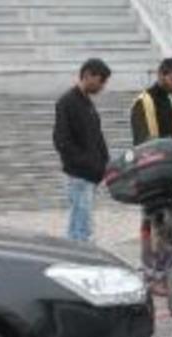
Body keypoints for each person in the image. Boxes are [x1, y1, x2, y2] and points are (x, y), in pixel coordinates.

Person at [130, 58, 172, 296]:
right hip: (150, 174)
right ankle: (152, 275)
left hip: (168, 174)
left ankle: (165, 272)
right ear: (162, 75)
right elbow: (146, 144)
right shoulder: (144, 102)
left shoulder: (169, 102)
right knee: (153, 224)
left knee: (167, 225)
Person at [53, 58, 111, 243]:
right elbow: (61, 141)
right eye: (101, 81)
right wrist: (87, 163)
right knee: (80, 229)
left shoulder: (88, 103)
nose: (103, 86)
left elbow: (97, 137)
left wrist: (104, 162)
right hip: (79, 176)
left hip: (91, 175)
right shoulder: (67, 102)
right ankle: (80, 264)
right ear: (87, 75)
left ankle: (77, 261)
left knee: (81, 224)